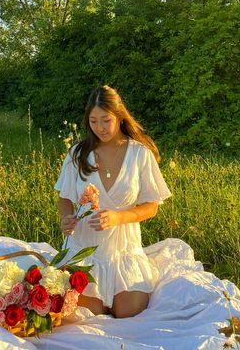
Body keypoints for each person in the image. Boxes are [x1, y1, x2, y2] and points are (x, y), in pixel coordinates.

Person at [55, 84, 171, 319]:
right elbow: (64, 197)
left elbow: (152, 206)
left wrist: (119, 217)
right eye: (93, 121)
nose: (100, 128)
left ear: (119, 116)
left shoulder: (140, 154)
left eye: (105, 120)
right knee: (87, 314)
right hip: (84, 248)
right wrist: (66, 218)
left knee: (127, 311)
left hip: (123, 250)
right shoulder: (77, 154)